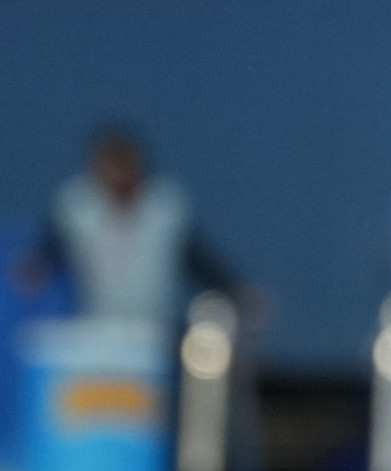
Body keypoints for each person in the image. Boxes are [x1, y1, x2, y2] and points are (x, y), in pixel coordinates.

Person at [20, 127, 245, 333]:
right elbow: (49, 251)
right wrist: (34, 266)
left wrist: (234, 289)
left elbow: (197, 259)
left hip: (154, 332)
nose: (117, 172)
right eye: (109, 164)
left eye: (122, 163)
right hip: (94, 328)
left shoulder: (165, 207)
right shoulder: (77, 205)